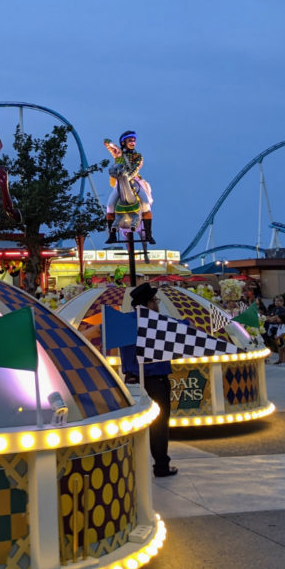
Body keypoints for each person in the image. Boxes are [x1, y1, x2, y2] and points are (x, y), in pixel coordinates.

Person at [120, 282, 177, 477]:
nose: (157, 304)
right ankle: (161, 466)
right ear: (148, 303)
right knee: (159, 424)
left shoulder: (123, 322)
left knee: (132, 424)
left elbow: (97, 332)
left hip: (133, 381)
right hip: (156, 380)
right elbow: (189, 329)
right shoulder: (160, 322)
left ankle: (131, 466)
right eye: (155, 300)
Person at [103, 132, 155, 245]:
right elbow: (106, 141)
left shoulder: (138, 156)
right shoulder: (118, 154)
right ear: (123, 142)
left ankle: (149, 234)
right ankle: (112, 236)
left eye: (134, 140)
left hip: (133, 181)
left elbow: (136, 168)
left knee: (145, 203)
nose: (133, 143)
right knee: (110, 205)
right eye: (130, 140)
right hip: (119, 181)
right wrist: (114, 146)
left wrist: (127, 178)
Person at [266, 296, 285, 365]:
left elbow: (274, 318)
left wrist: (271, 319)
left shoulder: (283, 309)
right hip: (276, 330)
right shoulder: (274, 309)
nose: (277, 302)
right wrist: (269, 318)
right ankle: (280, 360)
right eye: (275, 301)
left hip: (282, 330)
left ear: (282, 302)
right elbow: (268, 316)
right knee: (279, 346)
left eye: (278, 301)